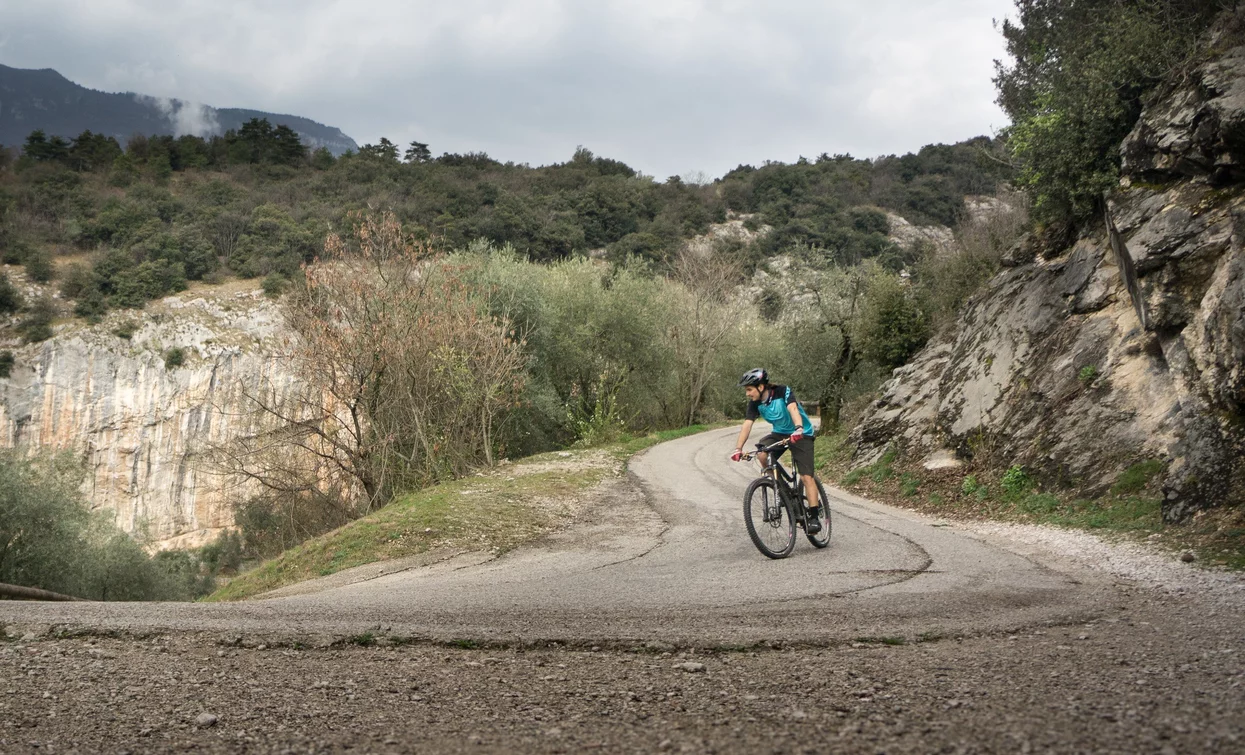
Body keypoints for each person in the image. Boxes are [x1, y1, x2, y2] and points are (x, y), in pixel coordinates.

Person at [729, 368, 822, 534]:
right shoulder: (755, 403)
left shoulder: (782, 391)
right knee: (762, 454)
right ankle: (783, 490)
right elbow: (747, 424)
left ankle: (814, 517)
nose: (747, 394)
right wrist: (738, 448)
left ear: (761, 386)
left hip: (802, 433)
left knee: (807, 476)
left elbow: (793, 409)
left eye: (749, 389)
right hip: (779, 433)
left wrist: (799, 428)